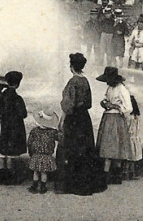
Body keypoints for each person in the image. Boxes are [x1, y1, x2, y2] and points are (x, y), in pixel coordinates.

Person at [58, 53, 105, 196]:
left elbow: (68, 105)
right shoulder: (85, 81)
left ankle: (72, 183)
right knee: (85, 149)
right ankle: (86, 181)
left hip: (73, 119)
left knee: (72, 148)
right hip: (84, 118)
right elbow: (89, 103)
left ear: (71, 66)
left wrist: (61, 121)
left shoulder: (72, 82)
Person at [96, 66, 132, 184]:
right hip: (108, 116)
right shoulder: (110, 88)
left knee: (115, 146)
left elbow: (128, 108)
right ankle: (107, 174)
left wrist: (115, 106)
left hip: (116, 118)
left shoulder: (122, 89)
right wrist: (104, 103)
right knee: (108, 145)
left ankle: (116, 174)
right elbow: (106, 98)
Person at [0, 70, 27, 184]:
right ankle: (10, 175)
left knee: (2, 151)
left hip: (3, 126)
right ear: (18, 84)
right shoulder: (18, 99)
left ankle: (1, 175)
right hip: (15, 128)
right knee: (12, 152)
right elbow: (23, 114)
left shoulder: (1, 96)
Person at [27, 110, 61, 194]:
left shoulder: (34, 131)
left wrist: (30, 152)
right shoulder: (52, 132)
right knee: (44, 172)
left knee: (35, 172)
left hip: (36, 155)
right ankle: (43, 187)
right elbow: (60, 137)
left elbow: (29, 142)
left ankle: (34, 186)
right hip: (47, 155)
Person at [123, 95, 142, 180]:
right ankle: (132, 173)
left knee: (127, 158)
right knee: (133, 158)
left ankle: (125, 173)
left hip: (128, 138)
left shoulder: (127, 116)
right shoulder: (136, 116)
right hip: (135, 138)